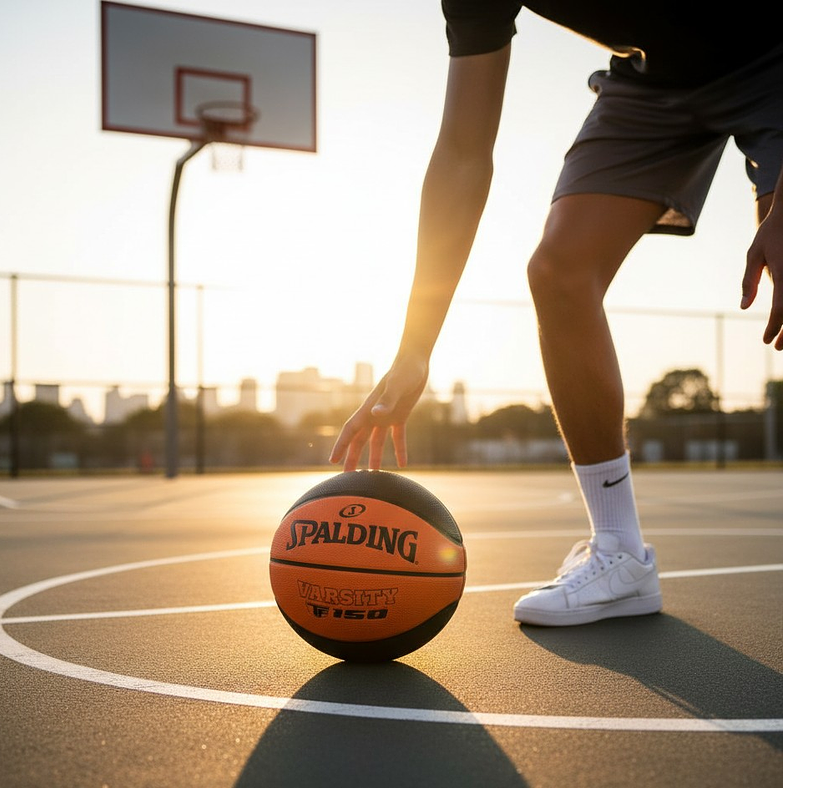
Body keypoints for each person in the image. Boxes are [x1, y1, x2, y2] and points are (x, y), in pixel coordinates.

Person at [328, 2, 782, 627]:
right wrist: (415, 347)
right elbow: (463, 151)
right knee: (558, 271)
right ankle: (620, 553)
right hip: (658, 80)